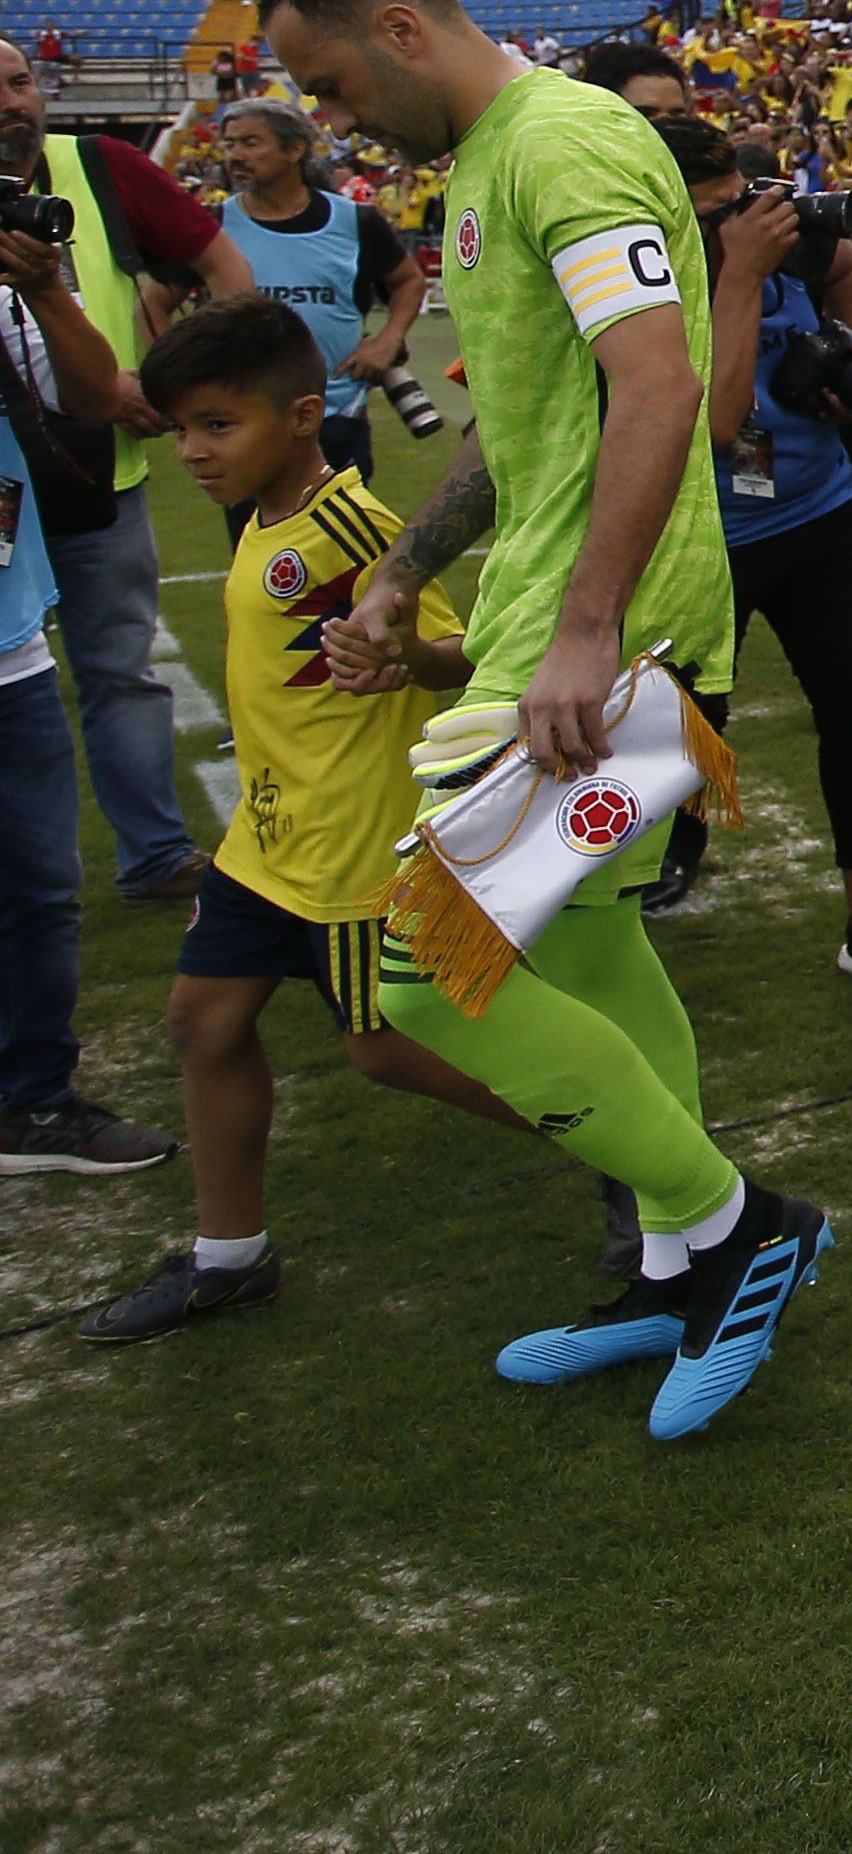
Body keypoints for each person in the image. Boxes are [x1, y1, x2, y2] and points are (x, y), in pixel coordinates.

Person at [261, 0, 824, 1442]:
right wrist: (396, 572)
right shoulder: (488, 170)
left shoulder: (562, 141)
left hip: (597, 634)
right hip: (558, 614)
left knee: (414, 972)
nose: (334, 119)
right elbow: (524, 422)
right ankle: (668, 1263)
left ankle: (735, 1224)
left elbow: (658, 383)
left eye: (329, 83)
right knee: (586, 958)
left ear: (396, 25)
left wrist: (584, 626)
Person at [73, 298, 538, 1336]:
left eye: (217, 425)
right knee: (204, 1021)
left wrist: (405, 659)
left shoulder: (353, 529)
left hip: (352, 849)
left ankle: (630, 1150)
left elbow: (464, 657)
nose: (192, 450)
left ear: (302, 414)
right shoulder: (267, 518)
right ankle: (230, 1256)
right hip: (267, 841)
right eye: (182, 426)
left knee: (390, 1052)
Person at [665, 116, 852, 1000]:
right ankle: (667, 849)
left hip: (816, 515)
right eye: (715, 211)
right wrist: (738, 273)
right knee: (689, 721)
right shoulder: (651, 272)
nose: (741, 220)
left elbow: (848, 263)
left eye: (740, 202)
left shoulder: (786, 245)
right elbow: (723, 418)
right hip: (706, 530)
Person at [0, 34, 255, 909]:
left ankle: (152, 854)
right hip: (13, 484)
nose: (13, 103)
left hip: (92, 477)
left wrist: (185, 385)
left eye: (22, 81)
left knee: (119, 671)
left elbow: (222, 266)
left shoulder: (101, 167)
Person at [0, 195, 163, 1177]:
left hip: (10, 644)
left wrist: (45, 287)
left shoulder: (13, 292)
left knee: (40, 889)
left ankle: (31, 1099)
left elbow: (98, 395)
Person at [212, 95, 423, 484]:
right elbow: (155, 303)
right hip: (246, 421)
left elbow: (408, 280)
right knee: (259, 543)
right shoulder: (213, 225)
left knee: (346, 541)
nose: (235, 155)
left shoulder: (353, 220)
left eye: (250, 143)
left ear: (295, 149)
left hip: (339, 415)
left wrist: (388, 339)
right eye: (229, 144)